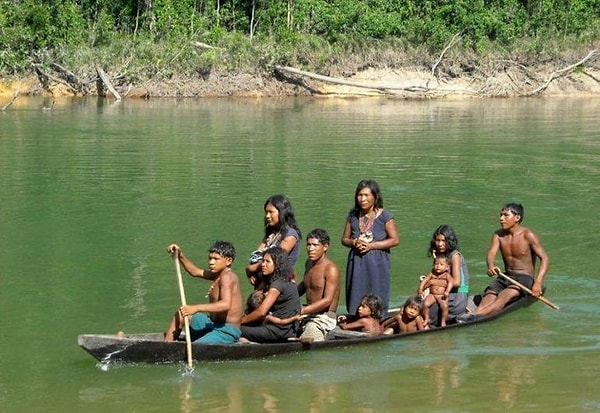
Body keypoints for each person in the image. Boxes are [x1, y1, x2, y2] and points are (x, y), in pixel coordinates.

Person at [460, 203, 550, 321]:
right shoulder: (498, 235)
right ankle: (476, 313)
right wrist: (491, 265)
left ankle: (476, 316)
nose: (501, 218)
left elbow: (545, 258)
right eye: (501, 215)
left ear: (517, 218)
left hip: (524, 279)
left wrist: (538, 282)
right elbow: (491, 253)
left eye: (506, 215)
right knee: (489, 296)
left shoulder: (528, 235)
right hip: (505, 276)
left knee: (503, 296)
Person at [265, 228, 341, 342]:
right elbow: (304, 286)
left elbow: (327, 300)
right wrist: (279, 295)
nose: (310, 249)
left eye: (315, 245)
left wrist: (302, 310)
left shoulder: (331, 269)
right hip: (306, 313)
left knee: (308, 334)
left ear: (325, 247)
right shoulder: (309, 263)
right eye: (308, 245)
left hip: (324, 317)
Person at [164, 241, 244, 344]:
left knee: (196, 348)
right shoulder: (217, 275)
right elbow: (195, 271)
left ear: (228, 261)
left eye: (216, 259)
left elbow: (226, 304)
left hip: (227, 330)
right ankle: (166, 345)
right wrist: (180, 255)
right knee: (182, 314)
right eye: (210, 258)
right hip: (211, 323)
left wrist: (195, 308)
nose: (211, 262)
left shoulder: (227, 277)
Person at [341, 179, 400, 316]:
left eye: (366, 195)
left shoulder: (385, 216)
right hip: (357, 261)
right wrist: (354, 242)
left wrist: (371, 246)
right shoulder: (353, 216)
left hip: (378, 263)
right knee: (356, 289)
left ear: (375, 196)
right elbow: (344, 239)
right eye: (360, 195)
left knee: (377, 289)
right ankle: (357, 317)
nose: (362, 199)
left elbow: (395, 240)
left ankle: (378, 318)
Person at [240, 246, 301, 342]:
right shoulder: (283, 279)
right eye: (263, 261)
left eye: (267, 262)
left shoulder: (277, 284)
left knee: (235, 329)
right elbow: (249, 269)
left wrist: (240, 321)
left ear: (277, 264)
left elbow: (261, 312)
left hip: (278, 331)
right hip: (284, 329)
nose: (263, 265)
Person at [246, 194, 302, 288]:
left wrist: (250, 269)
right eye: (266, 212)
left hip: (279, 282)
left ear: (282, 213)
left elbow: (275, 260)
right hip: (264, 279)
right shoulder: (271, 234)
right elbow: (255, 256)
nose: (267, 216)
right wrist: (252, 273)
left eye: (271, 212)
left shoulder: (290, 235)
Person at [427, 225, 469, 323]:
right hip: (443, 293)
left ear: (449, 241)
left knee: (429, 314)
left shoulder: (455, 256)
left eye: (443, 241)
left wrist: (432, 282)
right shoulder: (441, 256)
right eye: (438, 240)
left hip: (457, 297)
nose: (440, 244)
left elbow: (457, 282)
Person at [418, 255, 453, 327]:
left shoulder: (446, 275)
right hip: (432, 294)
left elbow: (451, 283)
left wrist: (447, 292)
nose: (438, 266)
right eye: (436, 264)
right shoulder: (432, 273)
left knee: (444, 306)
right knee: (425, 304)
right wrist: (420, 289)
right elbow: (425, 280)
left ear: (447, 267)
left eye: (441, 264)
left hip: (441, 295)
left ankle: (443, 322)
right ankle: (427, 318)